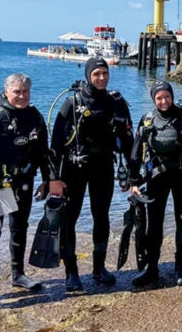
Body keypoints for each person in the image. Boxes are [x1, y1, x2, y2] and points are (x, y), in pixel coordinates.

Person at [49, 57, 133, 292]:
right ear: (88, 75)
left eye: (105, 73)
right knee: (70, 218)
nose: (101, 78)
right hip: (74, 168)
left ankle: (99, 268)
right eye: (96, 74)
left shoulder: (116, 102)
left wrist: (132, 173)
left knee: (101, 216)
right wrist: (53, 178)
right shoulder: (72, 103)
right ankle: (71, 271)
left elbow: (128, 140)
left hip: (103, 166)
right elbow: (55, 144)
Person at [0, 73, 49, 293]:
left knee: (19, 227)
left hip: (22, 181)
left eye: (25, 91)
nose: (21, 96)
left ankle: (18, 275)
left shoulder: (34, 116)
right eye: (17, 92)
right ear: (6, 92)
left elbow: (43, 152)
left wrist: (46, 180)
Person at [128, 81, 182, 291]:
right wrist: (134, 181)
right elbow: (136, 151)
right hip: (157, 177)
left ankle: (180, 267)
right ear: (153, 99)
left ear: (172, 96)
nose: (164, 101)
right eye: (159, 98)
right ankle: (152, 267)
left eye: (167, 96)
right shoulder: (148, 120)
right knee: (154, 223)